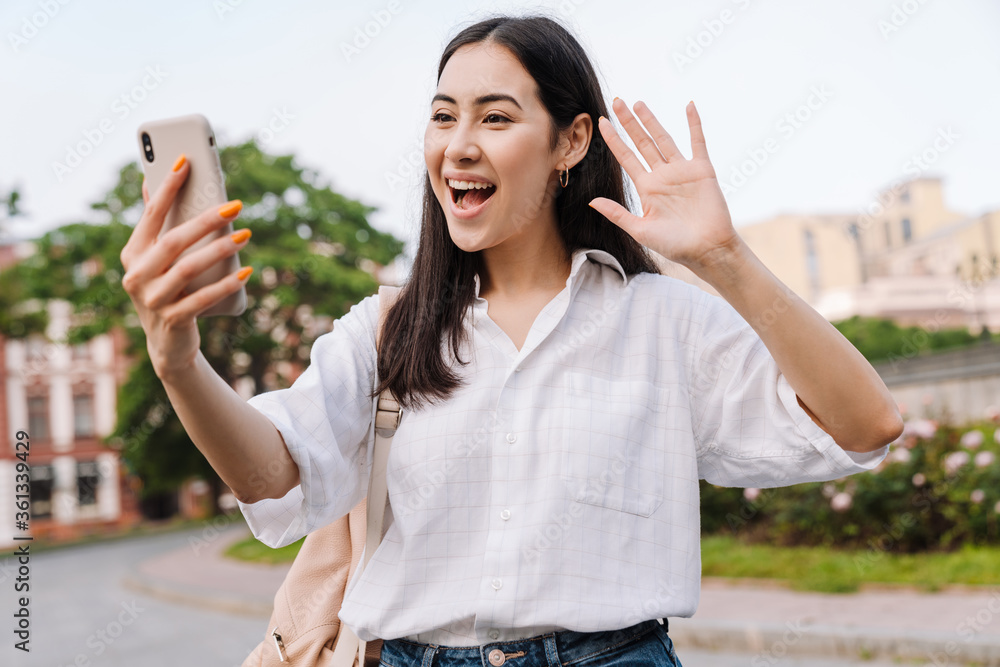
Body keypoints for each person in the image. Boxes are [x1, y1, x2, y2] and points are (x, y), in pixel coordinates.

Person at [119, 13, 903, 667]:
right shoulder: (389, 327)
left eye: (495, 117)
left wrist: (726, 261)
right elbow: (277, 476)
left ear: (571, 143)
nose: (459, 143)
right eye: (442, 115)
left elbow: (864, 424)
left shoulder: (662, 320)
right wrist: (178, 360)